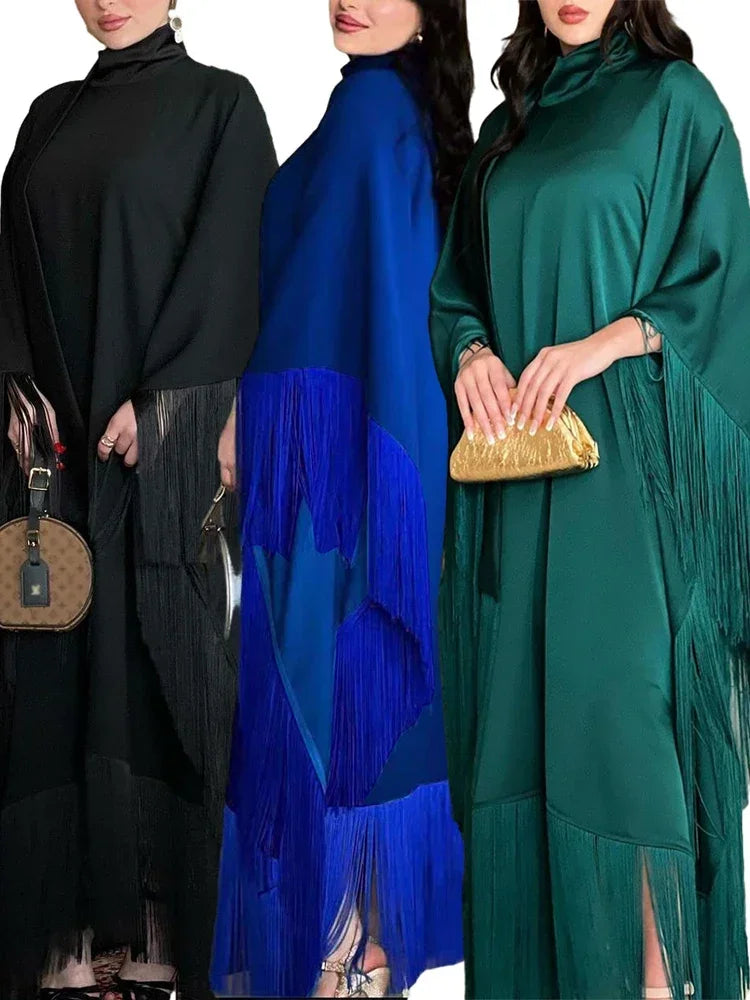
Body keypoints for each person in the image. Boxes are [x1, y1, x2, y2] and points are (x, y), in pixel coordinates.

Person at [430, 0, 750, 997]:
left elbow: (722, 281)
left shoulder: (676, 103)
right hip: (516, 488)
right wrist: (470, 352)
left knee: (626, 739)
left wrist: (604, 342)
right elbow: (455, 289)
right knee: (518, 749)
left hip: (630, 493)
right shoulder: (508, 126)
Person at [0, 0, 276, 996]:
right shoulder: (48, 115)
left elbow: (236, 273)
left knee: (158, 685)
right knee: (50, 690)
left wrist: (162, 406)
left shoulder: (221, 108)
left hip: (159, 467)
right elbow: (9, 273)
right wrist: (17, 393)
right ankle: (69, 953)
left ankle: (159, 948)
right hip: (53, 471)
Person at [211, 0, 473, 996]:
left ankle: (342, 957)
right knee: (345, 717)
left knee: (319, 712)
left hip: (333, 481)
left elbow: (374, 316)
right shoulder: (386, 111)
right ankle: (357, 955)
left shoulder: (373, 118)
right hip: (350, 467)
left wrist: (258, 419)